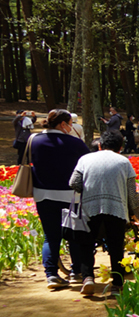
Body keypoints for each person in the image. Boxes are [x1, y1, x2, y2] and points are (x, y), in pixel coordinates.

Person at [69, 131, 139, 297]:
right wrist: (138, 214)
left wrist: (88, 190)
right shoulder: (124, 162)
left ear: (100, 145)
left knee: (87, 243)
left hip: (90, 208)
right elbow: (132, 193)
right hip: (116, 209)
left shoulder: (85, 159)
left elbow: (73, 182)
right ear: (121, 148)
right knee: (116, 246)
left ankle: (88, 278)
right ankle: (116, 284)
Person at [29, 110, 90, 290]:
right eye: (70, 123)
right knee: (74, 235)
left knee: (51, 236)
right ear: (63, 124)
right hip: (70, 195)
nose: (71, 127)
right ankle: (76, 272)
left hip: (42, 194)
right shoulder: (75, 143)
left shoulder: (34, 141)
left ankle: (51, 275)